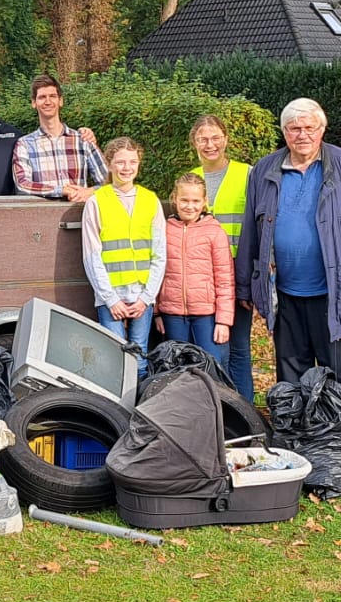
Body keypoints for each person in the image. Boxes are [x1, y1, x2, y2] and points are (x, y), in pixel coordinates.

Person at [239, 98, 341, 403]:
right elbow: (251, 234)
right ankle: (297, 440)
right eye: (294, 128)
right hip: (285, 295)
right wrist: (246, 286)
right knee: (292, 379)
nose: (302, 135)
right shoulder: (264, 171)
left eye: (309, 128)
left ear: (322, 129)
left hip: (336, 294)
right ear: (284, 132)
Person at [189, 114, 257, 401]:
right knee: (214, 349)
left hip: (237, 275)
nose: (210, 144)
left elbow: (259, 224)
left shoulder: (247, 174)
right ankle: (223, 411)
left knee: (239, 346)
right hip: (203, 280)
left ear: (226, 139)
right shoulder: (191, 178)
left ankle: (247, 411)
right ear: (194, 143)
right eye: (203, 139)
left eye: (216, 137)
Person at [84, 138, 166, 357]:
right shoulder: (96, 201)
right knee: (114, 358)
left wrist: (146, 298)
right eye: (120, 162)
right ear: (110, 164)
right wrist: (110, 299)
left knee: (139, 358)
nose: (127, 168)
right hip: (110, 296)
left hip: (142, 295)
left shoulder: (150, 200)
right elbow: (92, 256)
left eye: (132, 162)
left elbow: (159, 256)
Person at [157, 172, 234, 370]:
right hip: (172, 313)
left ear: (204, 201)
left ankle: (216, 401)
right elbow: (156, 272)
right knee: (177, 366)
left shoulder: (215, 232)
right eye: (184, 200)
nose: (189, 206)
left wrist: (223, 321)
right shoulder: (164, 230)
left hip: (206, 315)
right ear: (174, 198)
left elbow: (225, 279)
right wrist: (157, 312)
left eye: (195, 201)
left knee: (211, 365)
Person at [12, 74, 106, 200]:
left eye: (52, 96)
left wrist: (90, 191)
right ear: (34, 103)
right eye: (42, 97)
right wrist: (60, 190)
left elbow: (108, 181)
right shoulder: (25, 144)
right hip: (42, 216)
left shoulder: (82, 140)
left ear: (60, 101)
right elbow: (22, 184)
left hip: (79, 215)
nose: (48, 101)